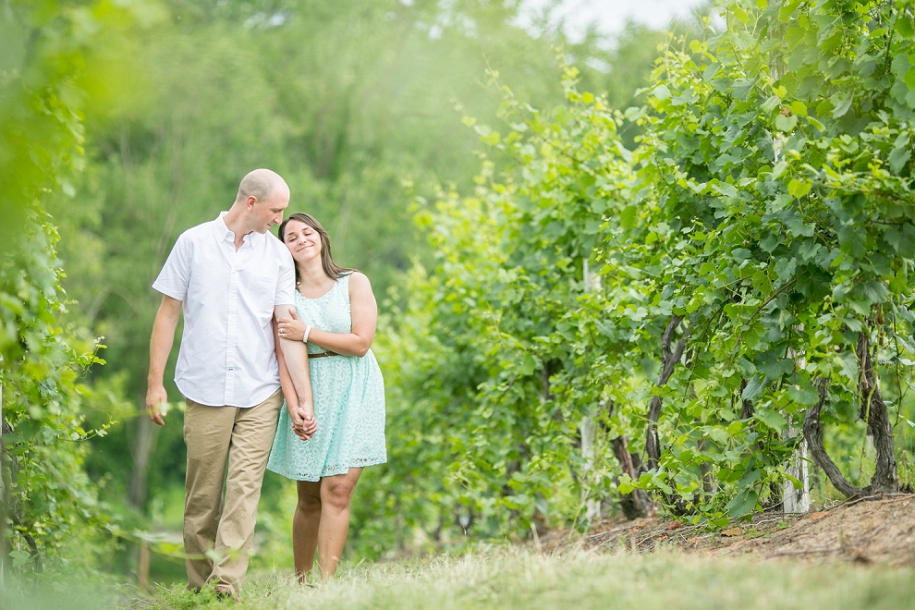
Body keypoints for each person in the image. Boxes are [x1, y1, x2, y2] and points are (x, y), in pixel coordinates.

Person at [145, 169, 316, 599]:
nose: (281, 220)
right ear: (252, 203)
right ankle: (199, 588)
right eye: (276, 210)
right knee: (202, 498)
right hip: (203, 389)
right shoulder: (193, 243)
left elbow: (285, 327)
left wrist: (299, 398)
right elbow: (167, 313)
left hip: (261, 391)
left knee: (244, 490)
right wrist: (155, 383)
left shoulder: (276, 257)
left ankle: (227, 588)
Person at [269, 212, 386, 582]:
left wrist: (306, 332)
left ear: (321, 237)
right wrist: (295, 404)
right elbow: (283, 357)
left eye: (308, 232)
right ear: (284, 249)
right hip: (309, 390)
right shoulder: (284, 296)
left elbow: (360, 343)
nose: (302, 239)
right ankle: (301, 581)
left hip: (355, 387)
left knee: (338, 489)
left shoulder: (353, 282)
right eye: (291, 236)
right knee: (309, 496)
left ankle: (326, 585)